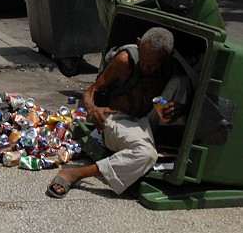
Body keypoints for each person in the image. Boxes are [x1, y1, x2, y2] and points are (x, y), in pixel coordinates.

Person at [46, 27, 191, 198]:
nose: (147, 68)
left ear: (166, 57)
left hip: (147, 120)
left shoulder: (170, 67)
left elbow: (179, 97)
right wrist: (93, 109)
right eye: (144, 62)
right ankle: (75, 173)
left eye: (153, 66)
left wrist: (178, 108)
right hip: (118, 120)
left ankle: (167, 142)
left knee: (182, 81)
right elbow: (89, 92)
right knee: (146, 155)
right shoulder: (124, 61)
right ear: (138, 44)